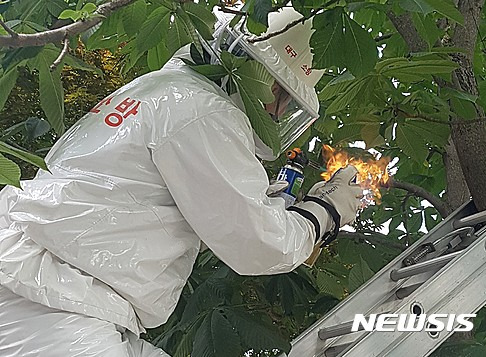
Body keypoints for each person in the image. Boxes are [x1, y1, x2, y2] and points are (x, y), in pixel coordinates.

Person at [0, 7, 362, 357]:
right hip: (51, 295)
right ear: (266, 79)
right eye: (283, 99)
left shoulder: (163, 89)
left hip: (47, 283)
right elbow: (264, 244)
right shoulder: (210, 113)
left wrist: (250, 199)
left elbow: (138, 198)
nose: (276, 114)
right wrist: (325, 211)